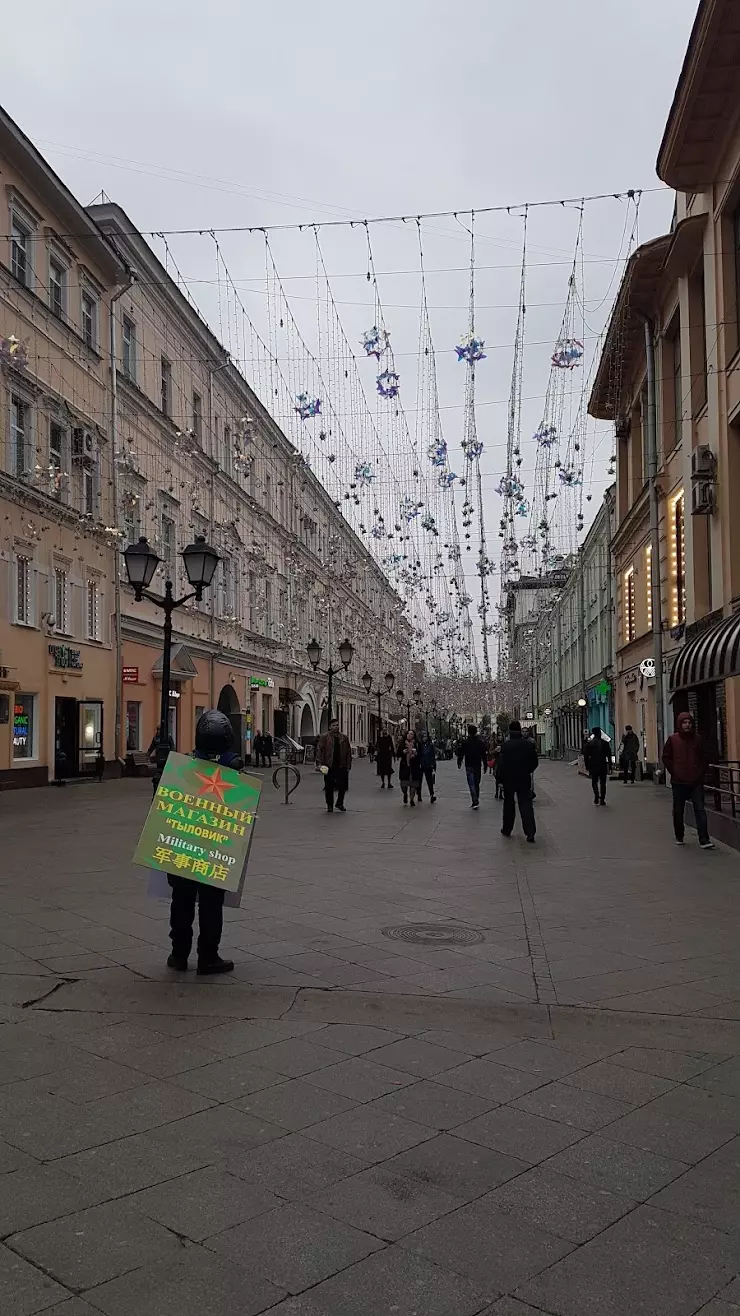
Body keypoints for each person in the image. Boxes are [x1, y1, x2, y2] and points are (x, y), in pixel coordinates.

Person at [167, 710, 240, 975]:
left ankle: (178, 954)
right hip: (215, 848)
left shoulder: (182, 766)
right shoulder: (233, 770)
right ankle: (208, 955)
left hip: (183, 843)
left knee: (181, 900)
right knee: (211, 904)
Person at [662, 712, 714, 849]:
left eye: (689, 723)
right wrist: (674, 771)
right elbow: (666, 757)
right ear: (680, 724)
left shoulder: (698, 739)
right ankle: (679, 836)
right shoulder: (673, 740)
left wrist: (700, 772)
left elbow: (704, 757)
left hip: (696, 781)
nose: (687, 725)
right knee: (678, 810)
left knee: (700, 809)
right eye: (684, 723)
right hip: (678, 781)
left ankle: (704, 839)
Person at [496, 720, 538, 840]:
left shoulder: (506, 745)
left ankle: (507, 829)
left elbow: (501, 764)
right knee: (526, 804)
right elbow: (534, 762)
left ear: (509, 730)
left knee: (509, 804)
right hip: (524, 778)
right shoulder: (528, 745)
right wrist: (527, 771)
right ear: (520, 730)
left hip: (509, 779)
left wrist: (500, 779)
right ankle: (530, 832)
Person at [317, 717, 352, 812]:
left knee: (343, 786)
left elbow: (348, 752)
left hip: (342, 765)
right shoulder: (324, 737)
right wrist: (319, 764)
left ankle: (339, 803)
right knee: (329, 786)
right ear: (329, 727)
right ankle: (329, 805)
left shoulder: (344, 738)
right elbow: (319, 750)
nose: (336, 727)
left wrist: (348, 765)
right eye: (334, 725)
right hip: (328, 765)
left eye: (337, 725)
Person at [457, 724, 488, 808]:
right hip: (477, 765)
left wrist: (459, 762)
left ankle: (475, 800)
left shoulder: (465, 742)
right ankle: (476, 799)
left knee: (471, 784)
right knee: (477, 783)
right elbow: (484, 755)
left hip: (469, 765)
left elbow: (461, 753)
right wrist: (485, 765)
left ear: (468, 732)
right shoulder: (480, 742)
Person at [584, 727, 612, 805]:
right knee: (603, 783)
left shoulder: (589, 743)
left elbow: (586, 756)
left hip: (593, 765)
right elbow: (609, 755)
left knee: (594, 782)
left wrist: (587, 766)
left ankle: (596, 795)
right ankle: (602, 799)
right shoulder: (605, 743)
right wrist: (610, 765)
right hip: (602, 764)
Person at [147, 729, 175, 795]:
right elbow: (152, 746)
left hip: (167, 756)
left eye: (159, 730)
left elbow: (172, 747)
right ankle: (160, 782)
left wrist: (172, 755)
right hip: (159, 756)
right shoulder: (156, 737)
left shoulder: (168, 737)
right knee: (159, 770)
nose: (158, 731)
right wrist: (148, 753)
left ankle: (166, 782)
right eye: (157, 730)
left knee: (166, 770)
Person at [398, 730, 421, 806]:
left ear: (414, 736)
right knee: (403, 785)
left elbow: (421, 754)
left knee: (413, 784)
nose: (409, 735)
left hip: (414, 766)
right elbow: (397, 753)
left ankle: (411, 799)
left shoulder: (417, 744)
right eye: (408, 734)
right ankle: (405, 794)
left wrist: (416, 754)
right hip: (405, 766)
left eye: (411, 734)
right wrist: (402, 752)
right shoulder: (402, 744)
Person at [418, 731, 437, 803]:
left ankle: (432, 795)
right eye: (423, 737)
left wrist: (434, 766)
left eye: (425, 737)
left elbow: (433, 756)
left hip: (428, 765)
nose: (424, 738)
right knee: (419, 781)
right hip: (420, 765)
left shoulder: (430, 745)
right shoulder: (419, 745)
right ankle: (419, 795)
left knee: (430, 781)